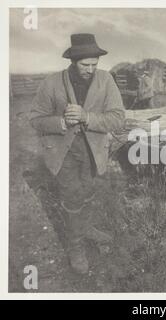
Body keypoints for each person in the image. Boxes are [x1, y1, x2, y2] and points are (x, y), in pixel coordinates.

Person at [29, 33, 125, 274]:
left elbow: (118, 118)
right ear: (73, 61)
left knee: (89, 192)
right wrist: (60, 123)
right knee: (72, 199)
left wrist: (87, 117)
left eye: (95, 64)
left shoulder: (106, 81)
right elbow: (35, 119)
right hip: (64, 152)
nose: (91, 70)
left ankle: (87, 228)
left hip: (94, 151)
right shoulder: (51, 83)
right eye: (85, 65)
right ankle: (75, 248)